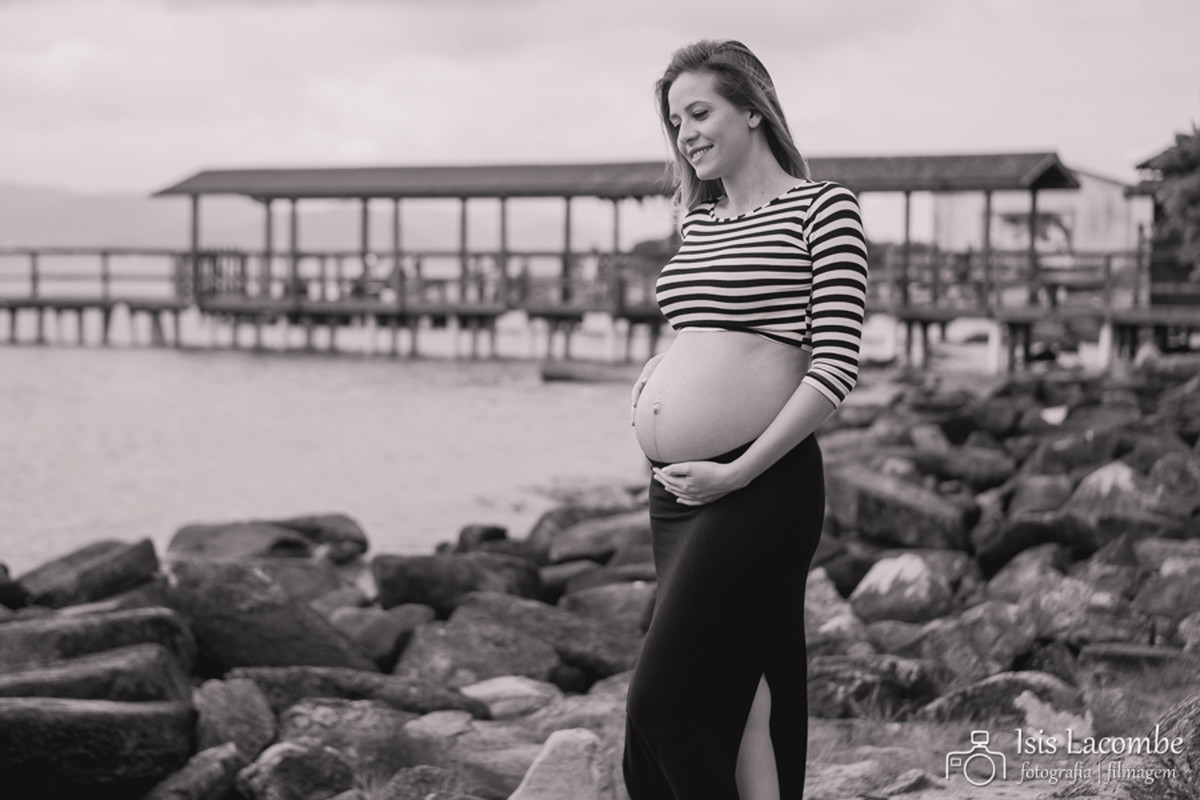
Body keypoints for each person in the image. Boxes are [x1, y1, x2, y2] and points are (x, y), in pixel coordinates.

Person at [622, 40, 869, 800]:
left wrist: (737, 469)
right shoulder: (700, 222)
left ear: (753, 109)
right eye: (675, 121)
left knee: (663, 702)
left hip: (758, 484)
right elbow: (704, 336)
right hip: (680, 490)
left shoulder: (824, 207)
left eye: (700, 112)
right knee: (747, 694)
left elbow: (833, 367)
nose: (686, 132)